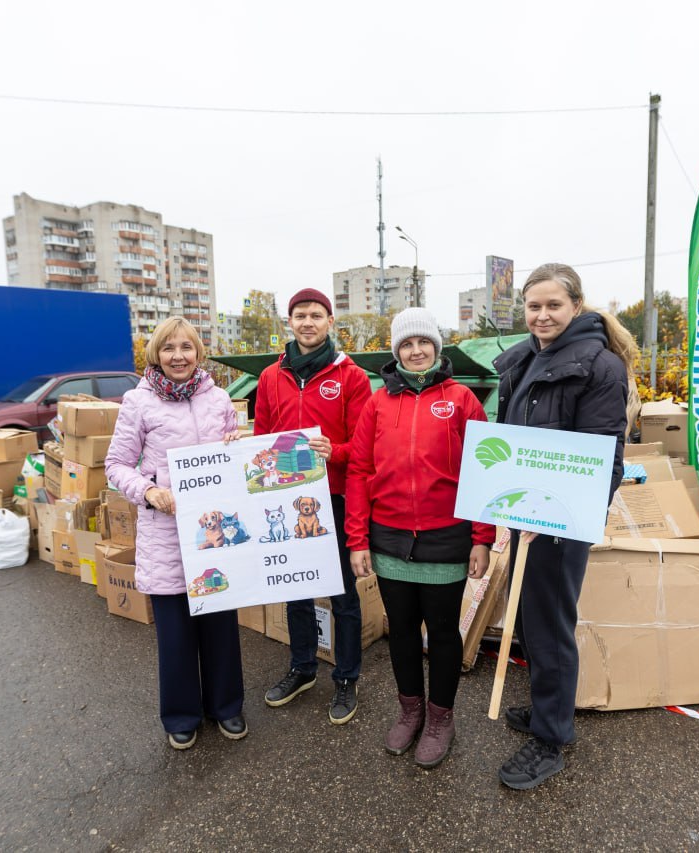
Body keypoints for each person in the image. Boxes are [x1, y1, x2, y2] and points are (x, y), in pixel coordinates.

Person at [491, 263, 633, 790]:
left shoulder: (600, 367)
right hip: (525, 516)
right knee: (528, 620)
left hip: (557, 522)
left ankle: (551, 738)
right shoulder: (527, 359)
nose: (543, 315)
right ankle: (547, 708)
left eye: (553, 305)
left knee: (550, 627)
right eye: (534, 306)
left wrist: (554, 514)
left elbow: (602, 460)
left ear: (576, 305)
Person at [346, 308, 494, 768]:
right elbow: (360, 470)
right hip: (388, 537)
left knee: (445, 634)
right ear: (396, 351)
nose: (415, 351)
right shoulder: (377, 403)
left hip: (446, 537)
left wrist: (482, 538)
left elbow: (484, 467)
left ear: (437, 346)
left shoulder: (463, 399)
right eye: (406, 345)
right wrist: (357, 540)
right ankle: (410, 711)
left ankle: (440, 719)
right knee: (403, 632)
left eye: (423, 343)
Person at [105, 317, 244, 751]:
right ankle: (181, 714)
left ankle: (226, 705)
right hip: (166, 534)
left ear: (198, 353)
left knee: (221, 626)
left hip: (215, 533)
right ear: (156, 355)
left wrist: (238, 443)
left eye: (186, 347)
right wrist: (148, 492)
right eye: (169, 348)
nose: (178, 356)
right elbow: (116, 466)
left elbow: (232, 458)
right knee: (176, 634)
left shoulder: (219, 398)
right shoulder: (138, 401)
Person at [254, 288, 373, 724]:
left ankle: (346, 677)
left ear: (329, 323)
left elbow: (364, 446)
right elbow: (263, 436)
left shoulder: (351, 377)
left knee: (341, 592)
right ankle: (302, 668)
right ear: (290, 322)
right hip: (288, 498)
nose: (307, 322)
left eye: (316, 315)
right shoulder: (271, 377)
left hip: (336, 497)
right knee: (295, 587)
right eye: (300, 315)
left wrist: (334, 451)